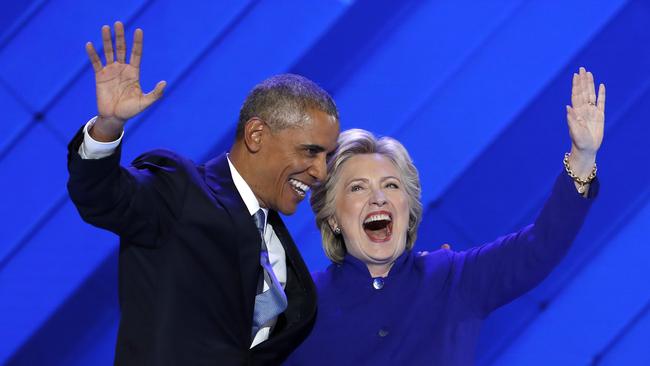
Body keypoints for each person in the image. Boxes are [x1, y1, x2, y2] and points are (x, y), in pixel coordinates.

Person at [285, 67, 604, 365]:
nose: (378, 198)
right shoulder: (299, 310)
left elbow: (540, 246)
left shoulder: (451, 279)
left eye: (391, 185)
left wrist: (582, 157)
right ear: (332, 217)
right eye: (358, 188)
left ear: (408, 210)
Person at [66, 21, 339, 365]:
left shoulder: (282, 254)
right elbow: (102, 196)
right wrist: (108, 127)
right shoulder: (179, 189)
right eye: (311, 151)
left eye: (327, 157)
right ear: (256, 135)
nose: (321, 172)